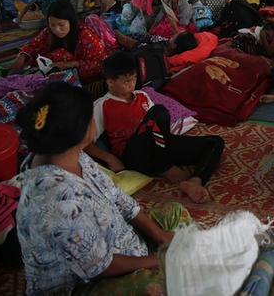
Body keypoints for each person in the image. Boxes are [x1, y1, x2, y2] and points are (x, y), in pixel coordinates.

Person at [16, 82, 178, 295]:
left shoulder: (73, 155)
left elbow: (117, 197)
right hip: (89, 283)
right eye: (91, 117)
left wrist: (160, 236)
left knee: (174, 211)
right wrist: (158, 260)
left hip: (120, 244)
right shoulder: (56, 204)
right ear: (81, 131)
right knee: (160, 284)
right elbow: (99, 266)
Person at [85, 52, 225, 203]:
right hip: (134, 154)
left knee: (215, 142)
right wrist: (110, 158)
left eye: (134, 78)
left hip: (159, 148)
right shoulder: (101, 105)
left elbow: (160, 127)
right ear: (110, 82)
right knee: (159, 112)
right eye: (126, 81)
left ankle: (194, 182)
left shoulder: (142, 96)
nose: (132, 84)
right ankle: (165, 167)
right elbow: (84, 143)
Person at [10, 0, 108, 84]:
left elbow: (101, 64)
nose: (56, 30)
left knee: (60, 54)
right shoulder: (48, 32)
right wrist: (22, 55)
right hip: (58, 69)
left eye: (61, 25)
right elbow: (34, 44)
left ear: (71, 22)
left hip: (84, 75)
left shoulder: (86, 36)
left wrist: (71, 64)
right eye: (52, 25)